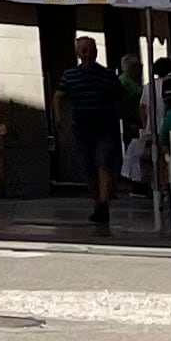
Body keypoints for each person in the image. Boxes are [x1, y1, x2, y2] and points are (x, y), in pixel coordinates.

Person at [56, 47, 130, 233]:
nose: (87, 54)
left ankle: (103, 205)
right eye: (83, 51)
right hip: (82, 128)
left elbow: (120, 97)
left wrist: (122, 117)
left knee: (103, 164)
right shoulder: (70, 74)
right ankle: (98, 201)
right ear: (78, 54)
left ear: (96, 53)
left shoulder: (107, 75)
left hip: (106, 127)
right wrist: (60, 120)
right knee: (88, 168)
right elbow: (58, 96)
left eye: (90, 51)